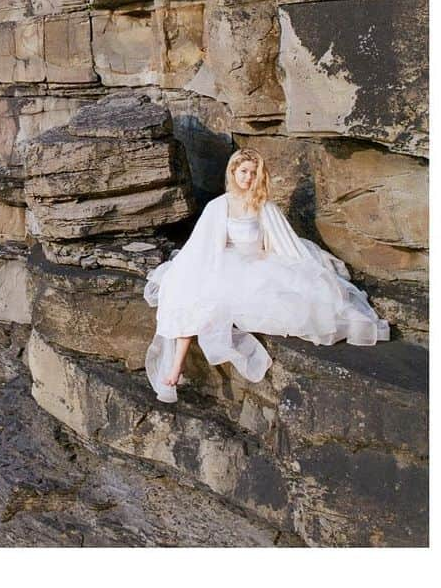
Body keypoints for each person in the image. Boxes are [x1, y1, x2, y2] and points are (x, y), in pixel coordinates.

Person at [142, 147, 390, 404]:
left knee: (304, 297)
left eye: (253, 173)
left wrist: (267, 255)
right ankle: (175, 367)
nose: (248, 178)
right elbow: (204, 245)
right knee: (190, 293)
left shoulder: (262, 205)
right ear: (233, 171)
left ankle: (177, 367)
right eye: (243, 172)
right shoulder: (219, 206)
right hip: (225, 263)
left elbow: (278, 240)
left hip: (256, 263)